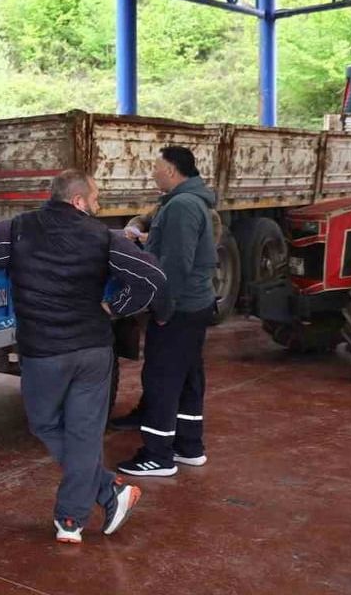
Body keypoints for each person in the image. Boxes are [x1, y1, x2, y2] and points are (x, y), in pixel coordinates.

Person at [0, 170, 166, 544]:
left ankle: (79, 515)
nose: (97, 206)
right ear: (77, 201)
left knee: (45, 423)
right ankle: (90, 507)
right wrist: (116, 307)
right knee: (83, 433)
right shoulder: (102, 238)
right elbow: (153, 277)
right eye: (94, 199)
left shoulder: (18, 229)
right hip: (93, 350)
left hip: (44, 353)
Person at [116, 146, 219, 478]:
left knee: (161, 378)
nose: (154, 173)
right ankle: (189, 447)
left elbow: (175, 265)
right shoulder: (183, 203)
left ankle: (158, 455)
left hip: (181, 308)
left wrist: (162, 307)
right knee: (188, 377)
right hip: (194, 306)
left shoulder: (182, 206)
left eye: (157, 168)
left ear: (173, 171)